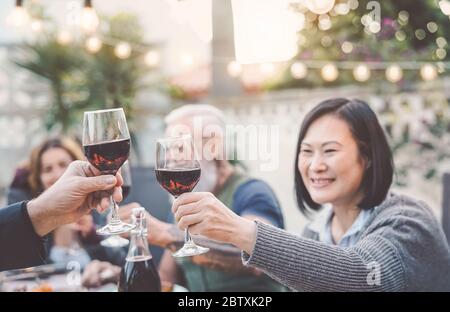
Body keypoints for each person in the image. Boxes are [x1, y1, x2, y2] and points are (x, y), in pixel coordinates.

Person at [172, 98, 450, 291]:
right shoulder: (315, 232)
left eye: (330, 150)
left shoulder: (408, 221)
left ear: (366, 157)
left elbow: (363, 277)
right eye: (307, 152)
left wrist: (240, 231)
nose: (315, 165)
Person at [117, 104, 286, 292]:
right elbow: (166, 278)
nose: (171, 157)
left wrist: (165, 234)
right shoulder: (183, 199)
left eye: (180, 147)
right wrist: (118, 275)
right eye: (168, 149)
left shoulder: (251, 192)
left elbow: (260, 259)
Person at [0, 160, 123, 271]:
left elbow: (120, 260)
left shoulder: (96, 211)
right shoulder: (38, 235)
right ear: (39, 179)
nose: (58, 175)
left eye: (64, 165)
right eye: (48, 169)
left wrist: (93, 235)